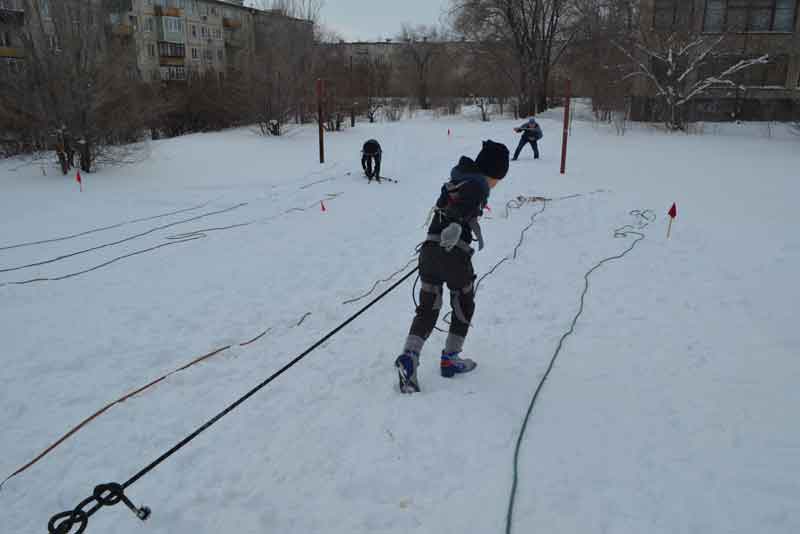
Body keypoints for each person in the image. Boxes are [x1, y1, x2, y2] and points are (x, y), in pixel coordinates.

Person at [395, 140, 510, 394]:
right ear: (492, 172)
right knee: (463, 303)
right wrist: (457, 224)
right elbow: (462, 207)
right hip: (453, 254)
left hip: (429, 252)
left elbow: (447, 208)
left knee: (427, 308)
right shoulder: (478, 184)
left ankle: (410, 357)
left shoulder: (456, 181)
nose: (495, 185)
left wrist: (453, 222)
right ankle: (450, 358)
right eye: (497, 179)